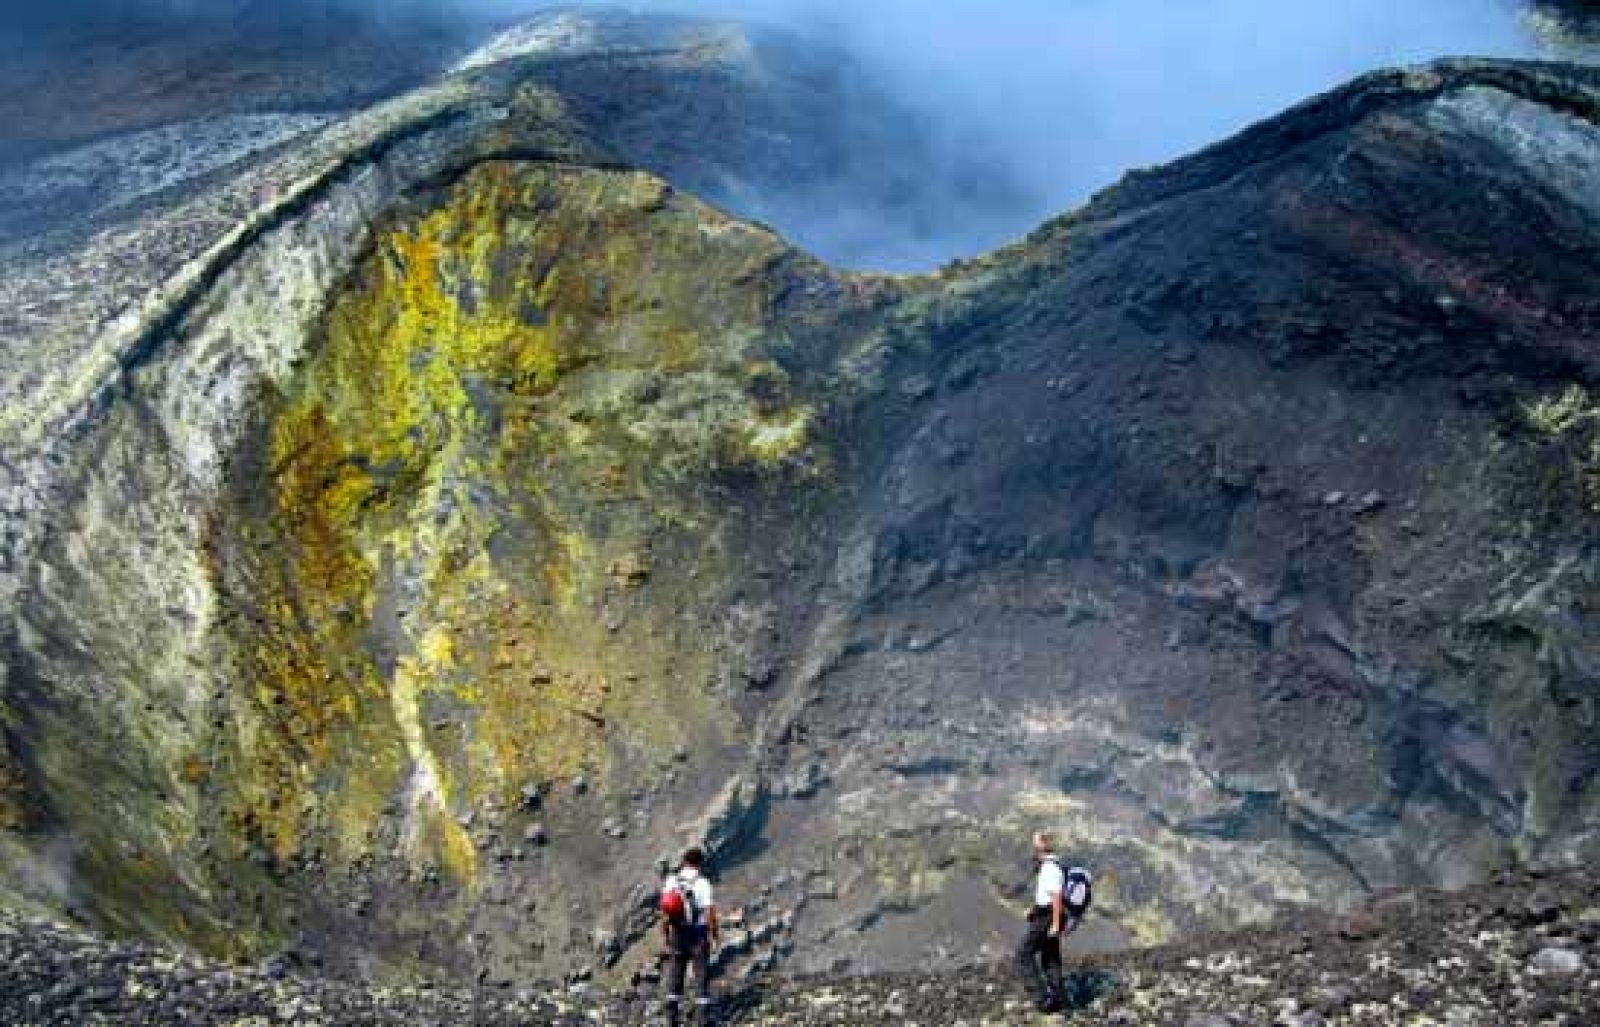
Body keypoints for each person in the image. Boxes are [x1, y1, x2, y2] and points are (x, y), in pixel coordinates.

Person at [660, 846, 719, 1026]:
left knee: (676, 972)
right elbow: (709, 913)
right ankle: (701, 1019)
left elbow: (664, 911)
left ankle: (671, 1017)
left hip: (677, 932)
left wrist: (666, 935)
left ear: (684, 861)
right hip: (697, 934)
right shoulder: (703, 883)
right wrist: (714, 936)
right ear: (699, 863)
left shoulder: (671, 881)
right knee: (701, 975)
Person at [1016, 831, 1069, 1012]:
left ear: (1043, 846)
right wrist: (1034, 909)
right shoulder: (1049, 866)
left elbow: (1056, 898)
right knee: (1050, 957)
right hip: (1045, 914)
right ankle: (1058, 998)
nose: (1033, 846)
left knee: (1023, 954)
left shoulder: (1051, 869)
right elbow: (1047, 895)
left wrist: (1054, 924)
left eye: (1036, 842)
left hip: (1048, 918)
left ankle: (1043, 999)